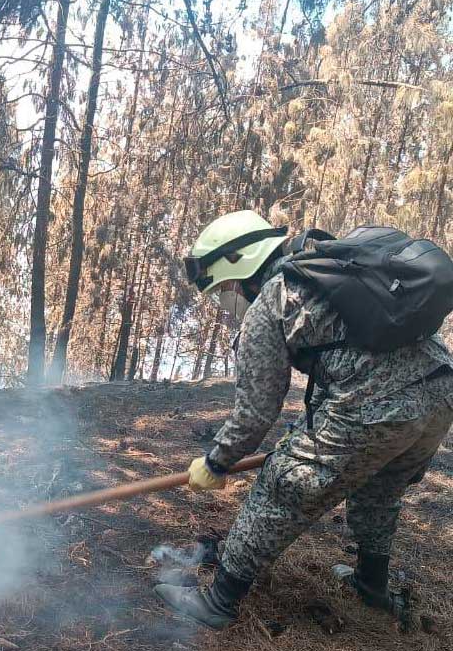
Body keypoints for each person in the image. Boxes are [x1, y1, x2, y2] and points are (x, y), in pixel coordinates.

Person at [154, 210, 453, 629]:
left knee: (282, 484)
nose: (226, 303)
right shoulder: (326, 272)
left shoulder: (272, 299)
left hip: (376, 406)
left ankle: (217, 604)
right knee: (380, 489)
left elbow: (256, 410)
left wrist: (215, 462)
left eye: (222, 291)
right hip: (440, 393)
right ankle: (372, 585)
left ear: (240, 269)